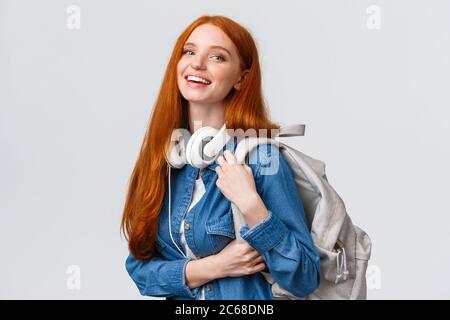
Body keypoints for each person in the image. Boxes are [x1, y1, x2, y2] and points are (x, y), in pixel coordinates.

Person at [120, 15, 320, 300]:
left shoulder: (261, 159)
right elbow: (141, 272)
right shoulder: (167, 162)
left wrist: (252, 205)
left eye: (217, 57)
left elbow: (304, 277)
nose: (197, 64)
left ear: (241, 78)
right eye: (189, 52)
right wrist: (214, 267)